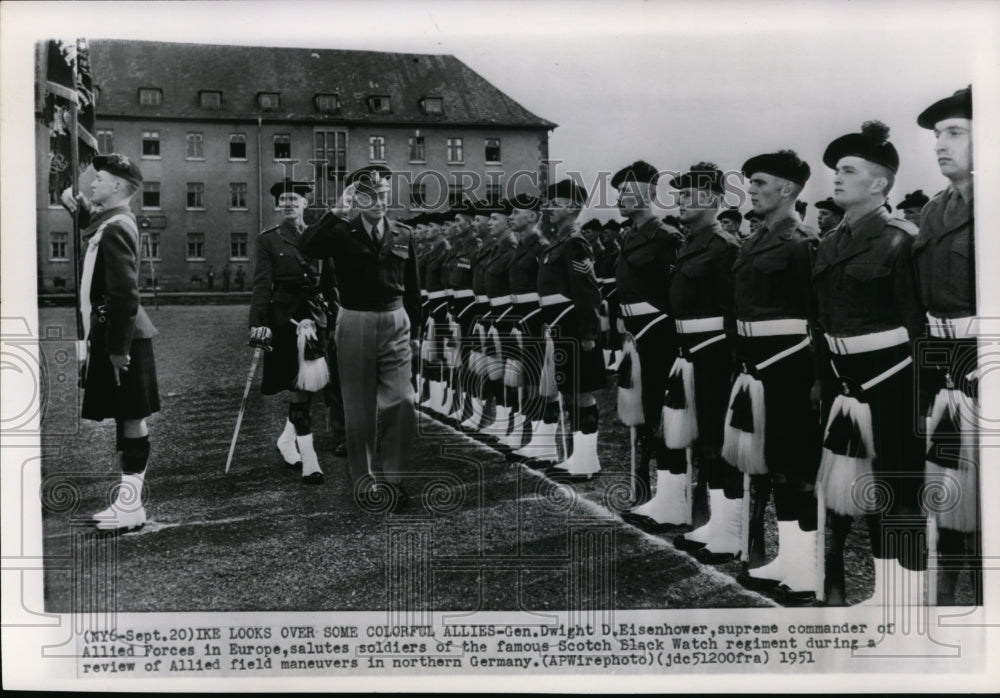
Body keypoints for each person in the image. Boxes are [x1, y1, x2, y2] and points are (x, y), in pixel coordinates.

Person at [813, 121, 926, 606]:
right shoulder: (832, 241)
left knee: (898, 490)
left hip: (894, 383)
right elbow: (821, 322)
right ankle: (883, 594)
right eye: (836, 170)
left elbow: (919, 326)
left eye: (847, 170)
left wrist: (924, 398)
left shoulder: (902, 240)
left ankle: (903, 596)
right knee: (858, 490)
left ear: (878, 184)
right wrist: (824, 381)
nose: (835, 178)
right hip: (843, 383)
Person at [728, 150, 822, 603]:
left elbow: (816, 315)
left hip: (790, 365)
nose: (752, 189)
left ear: (786, 188)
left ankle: (808, 568)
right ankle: (790, 557)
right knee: (778, 466)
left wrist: (819, 376)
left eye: (760, 182)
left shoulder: (801, 241)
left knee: (798, 469)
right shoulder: (755, 239)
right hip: (756, 365)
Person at [300, 166, 421, 511]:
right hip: (354, 321)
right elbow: (307, 245)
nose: (379, 202)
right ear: (356, 197)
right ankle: (367, 483)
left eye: (383, 195)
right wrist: (336, 212)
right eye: (369, 195)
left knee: (402, 401)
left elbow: (413, 290)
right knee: (360, 408)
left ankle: (395, 482)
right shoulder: (340, 231)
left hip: (396, 322)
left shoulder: (403, 233)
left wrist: (418, 334)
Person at [60, 154, 159, 533]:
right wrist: (83, 208)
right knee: (125, 414)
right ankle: (126, 503)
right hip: (115, 334)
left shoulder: (118, 226)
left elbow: (124, 294)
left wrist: (118, 350)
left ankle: (131, 507)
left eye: (98, 179)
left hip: (123, 337)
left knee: (132, 415)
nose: (92, 184)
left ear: (118, 187)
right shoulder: (112, 221)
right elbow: (94, 227)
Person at [912, 85, 979, 605]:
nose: (940, 144)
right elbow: (922, 305)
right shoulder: (934, 211)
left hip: (988, 362)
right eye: (938, 135)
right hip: (946, 366)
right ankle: (949, 600)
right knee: (952, 493)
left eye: (954, 132)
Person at [667, 163, 742, 563]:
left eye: (689, 194)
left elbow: (732, 311)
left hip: (715, 354)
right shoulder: (692, 243)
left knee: (718, 440)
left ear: (712, 200)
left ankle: (731, 531)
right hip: (692, 351)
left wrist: (731, 362)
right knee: (705, 440)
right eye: (679, 192)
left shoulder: (722, 246)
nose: (679, 199)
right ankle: (716, 522)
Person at [604, 161, 684, 523]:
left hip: (661, 337)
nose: (620, 196)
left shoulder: (667, 236)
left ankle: (673, 500)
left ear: (651, 193)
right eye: (618, 190)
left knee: (664, 418)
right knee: (644, 415)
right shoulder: (629, 236)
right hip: (635, 337)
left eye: (628, 189)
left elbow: (677, 296)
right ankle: (651, 493)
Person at [248, 179, 328, 484]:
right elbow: (261, 284)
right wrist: (258, 326)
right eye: (283, 199)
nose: (288, 203)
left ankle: (286, 439)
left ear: (306, 203)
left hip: (317, 316)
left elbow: (330, 278)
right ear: (277, 206)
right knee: (297, 387)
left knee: (307, 390)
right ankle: (310, 459)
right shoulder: (267, 240)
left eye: (294, 198)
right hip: (286, 320)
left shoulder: (319, 237)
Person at [537, 179, 605, 481]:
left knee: (582, 392)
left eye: (558, 202)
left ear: (574, 208)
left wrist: (589, 332)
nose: (550, 207)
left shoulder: (576, 242)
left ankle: (588, 459)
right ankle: (576, 455)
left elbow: (588, 290)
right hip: (560, 326)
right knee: (569, 389)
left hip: (575, 326)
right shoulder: (558, 243)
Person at [597, 220, 623, 370]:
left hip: (613, 295)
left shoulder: (616, 253)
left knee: (614, 328)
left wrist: (608, 297)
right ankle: (607, 360)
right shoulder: (605, 252)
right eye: (603, 233)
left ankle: (617, 360)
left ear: (615, 234)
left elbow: (618, 278)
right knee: (605, 328)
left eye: (607, 233)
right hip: (604, 294)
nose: (603, 236)